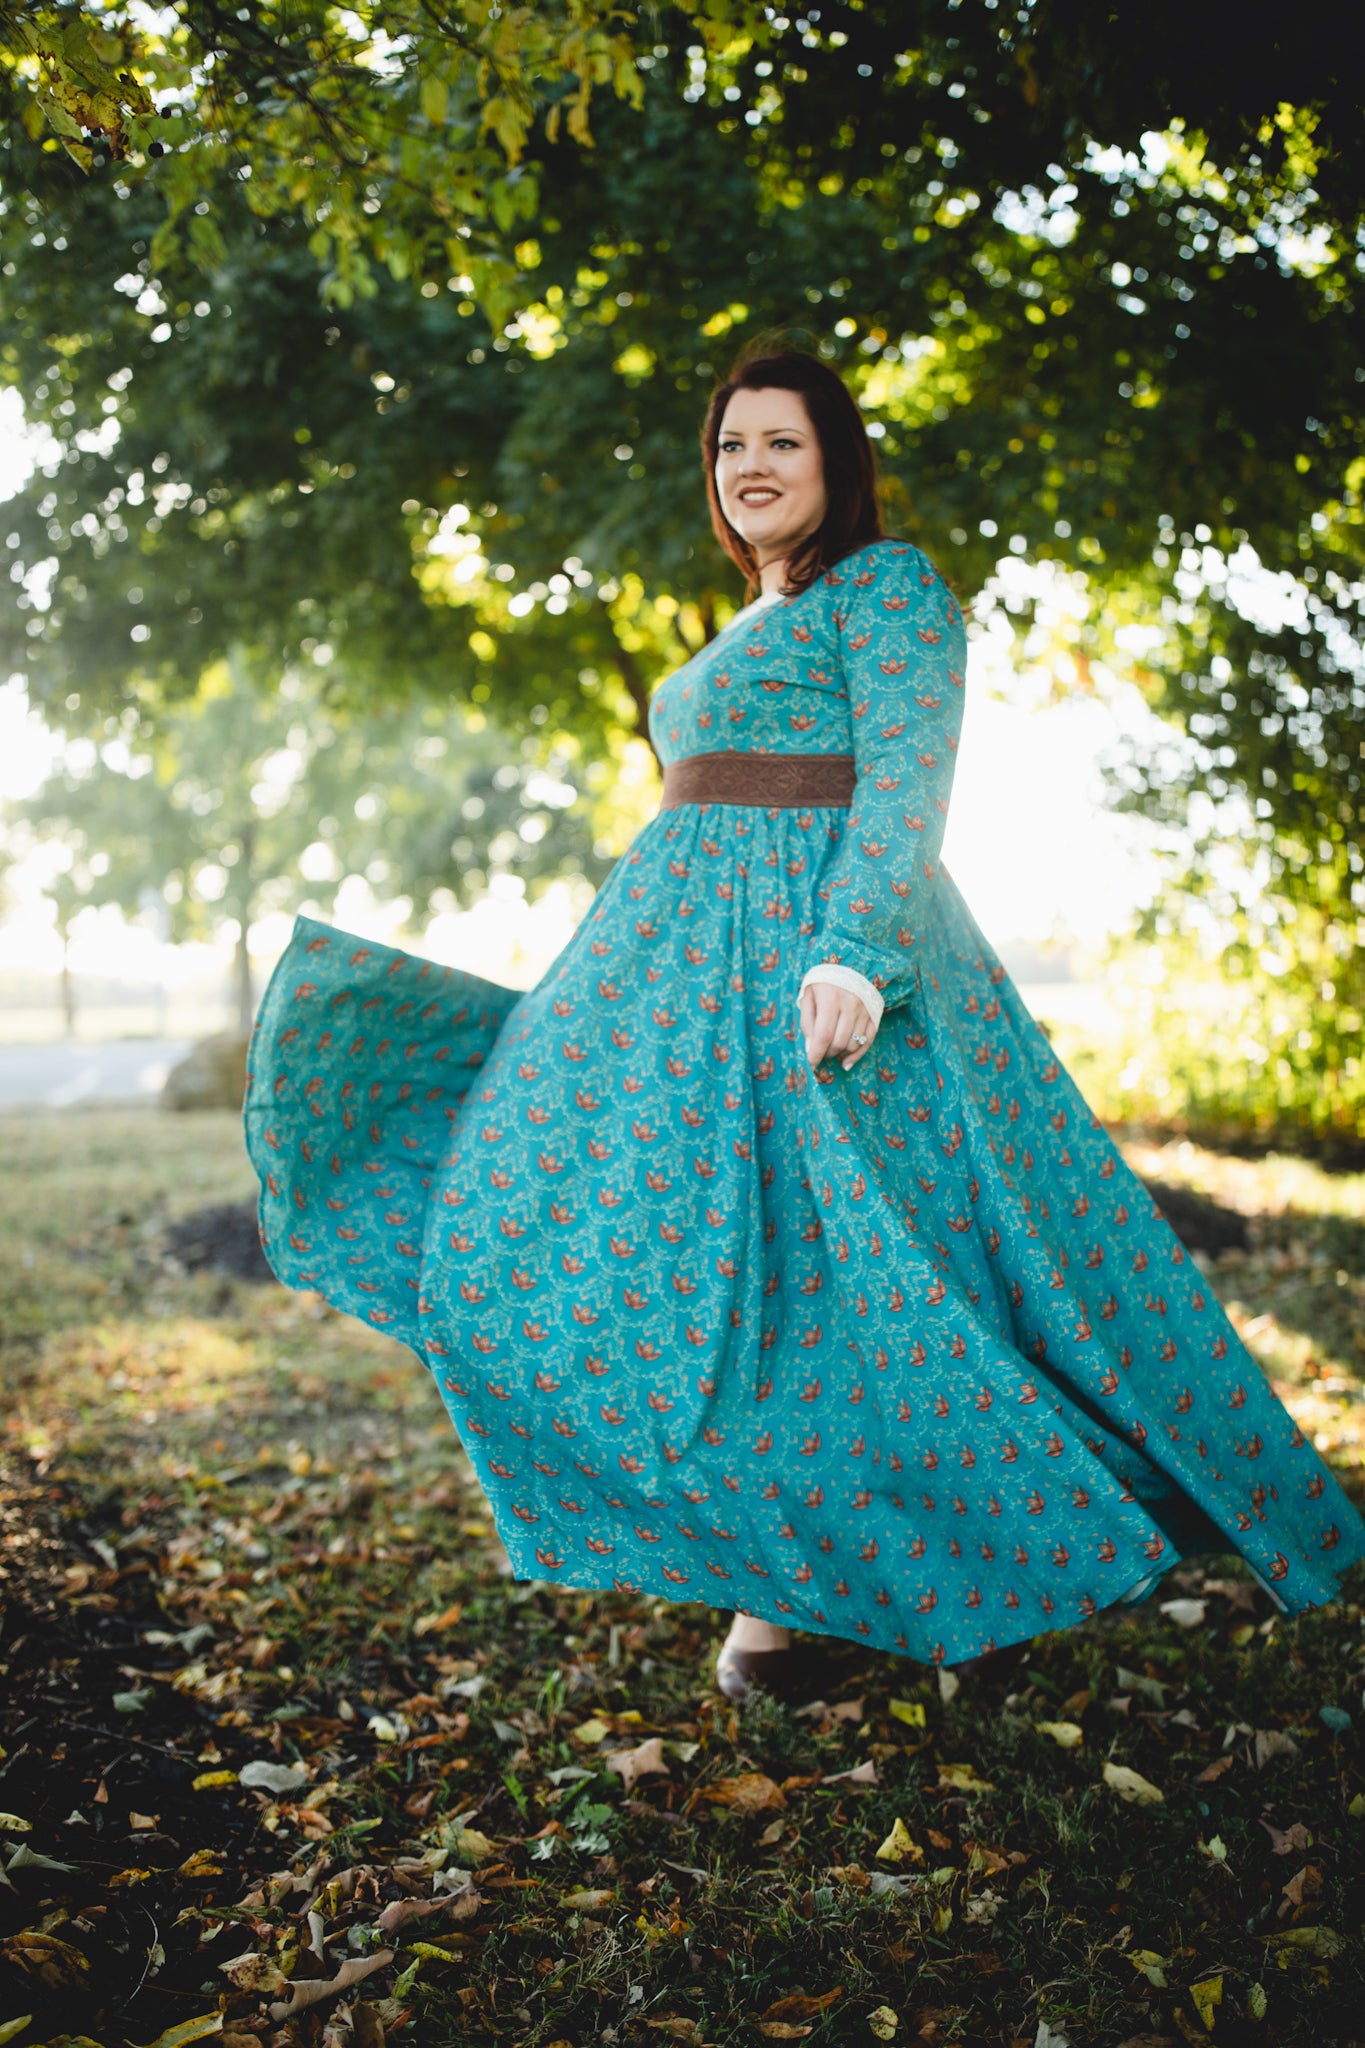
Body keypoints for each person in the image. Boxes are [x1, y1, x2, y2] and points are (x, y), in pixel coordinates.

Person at [244, 346, 1365, 1705]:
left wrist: (850, 954)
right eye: (730, 447)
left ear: (834, 462)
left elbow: (905, 774)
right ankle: (784, 1606)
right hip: (674, 990)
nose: (752, 467)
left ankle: (977, 1599)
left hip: (822, 979)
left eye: (782, 441)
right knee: (682, 1273)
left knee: (892, 1286)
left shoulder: (883, 588)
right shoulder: (742, 620)